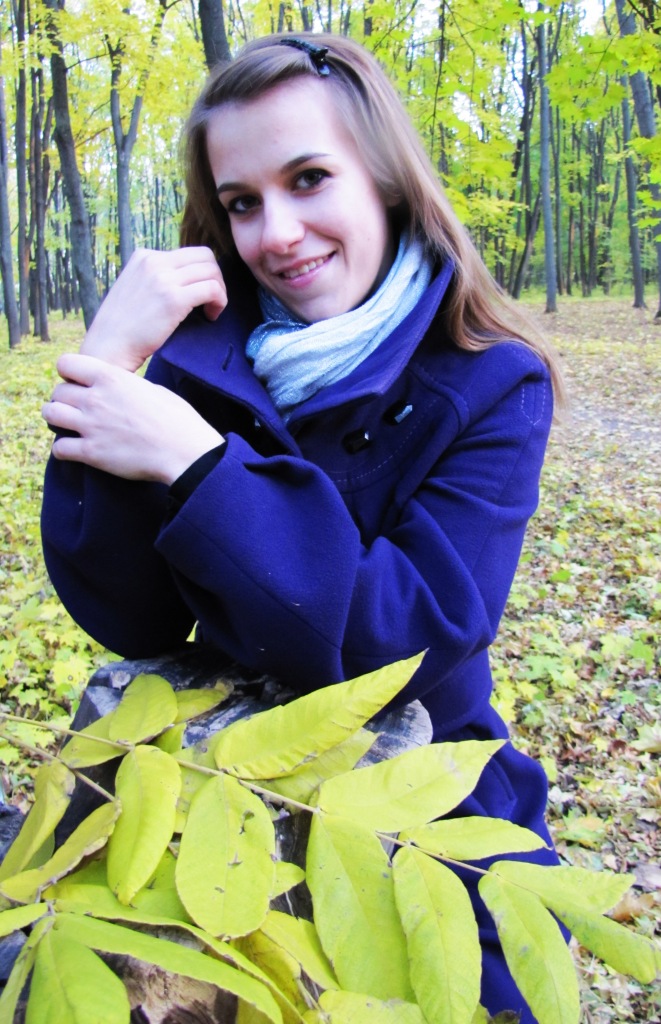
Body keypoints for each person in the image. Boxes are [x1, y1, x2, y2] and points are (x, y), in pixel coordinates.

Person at [41, 32, 565, 1022]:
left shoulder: (491, 378)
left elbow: (409, 637)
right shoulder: (199, 359)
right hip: (205, 771)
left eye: (309, 179)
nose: (276, 233)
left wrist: (202, 467)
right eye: (241, 202)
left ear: (386, 180)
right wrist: (105, 365)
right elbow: (128, 615)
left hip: (424, 791)